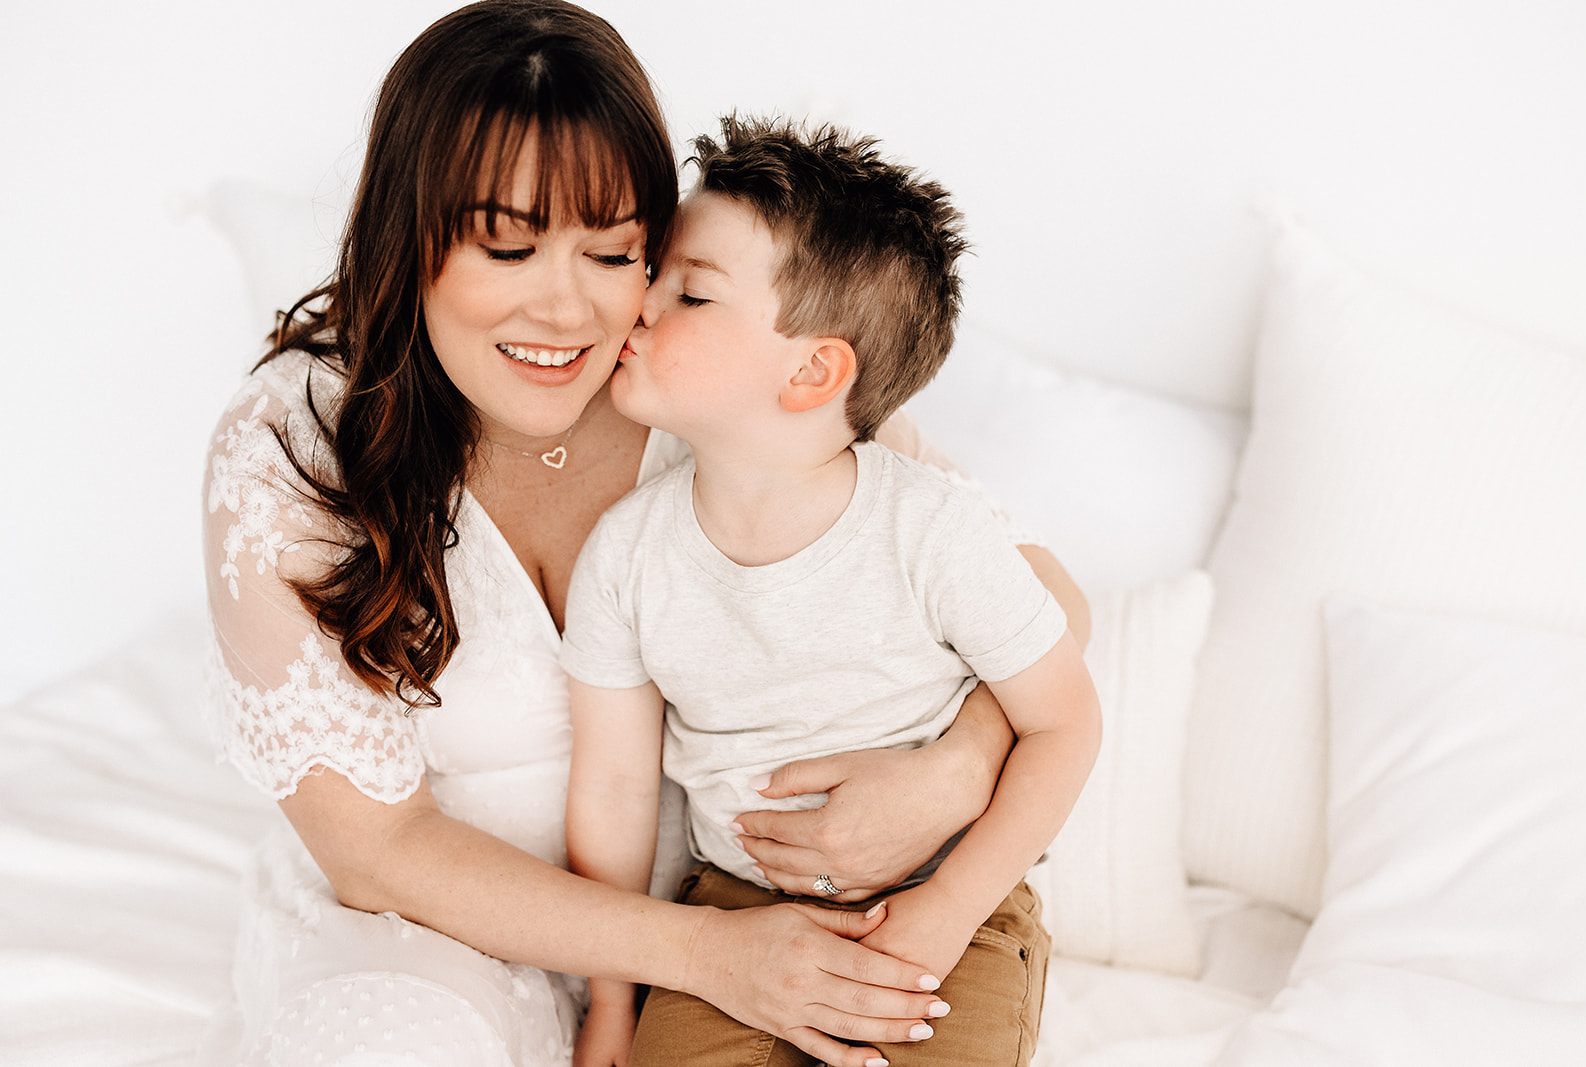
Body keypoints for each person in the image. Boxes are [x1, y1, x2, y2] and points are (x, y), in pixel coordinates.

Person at [198, 3, 1089, 1065]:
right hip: (439, 933)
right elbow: (376, 852)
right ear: (412, 234)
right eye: (508, 245)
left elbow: (1040, 600)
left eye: (614, 252)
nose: (567, 311)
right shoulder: (292, 448)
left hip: (748, 919)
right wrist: (707, 957)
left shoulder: (720, 387)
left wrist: (952, 771)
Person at [560, 116, 1103, 1067]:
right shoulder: (626, 555)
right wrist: (612, 998)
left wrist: (945, 910)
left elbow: (1066, 723)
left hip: (949, 909)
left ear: (813, 372)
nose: (640, 304)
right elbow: (612, 786)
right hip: (729, 910)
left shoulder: (929, 526)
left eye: (690, 292)